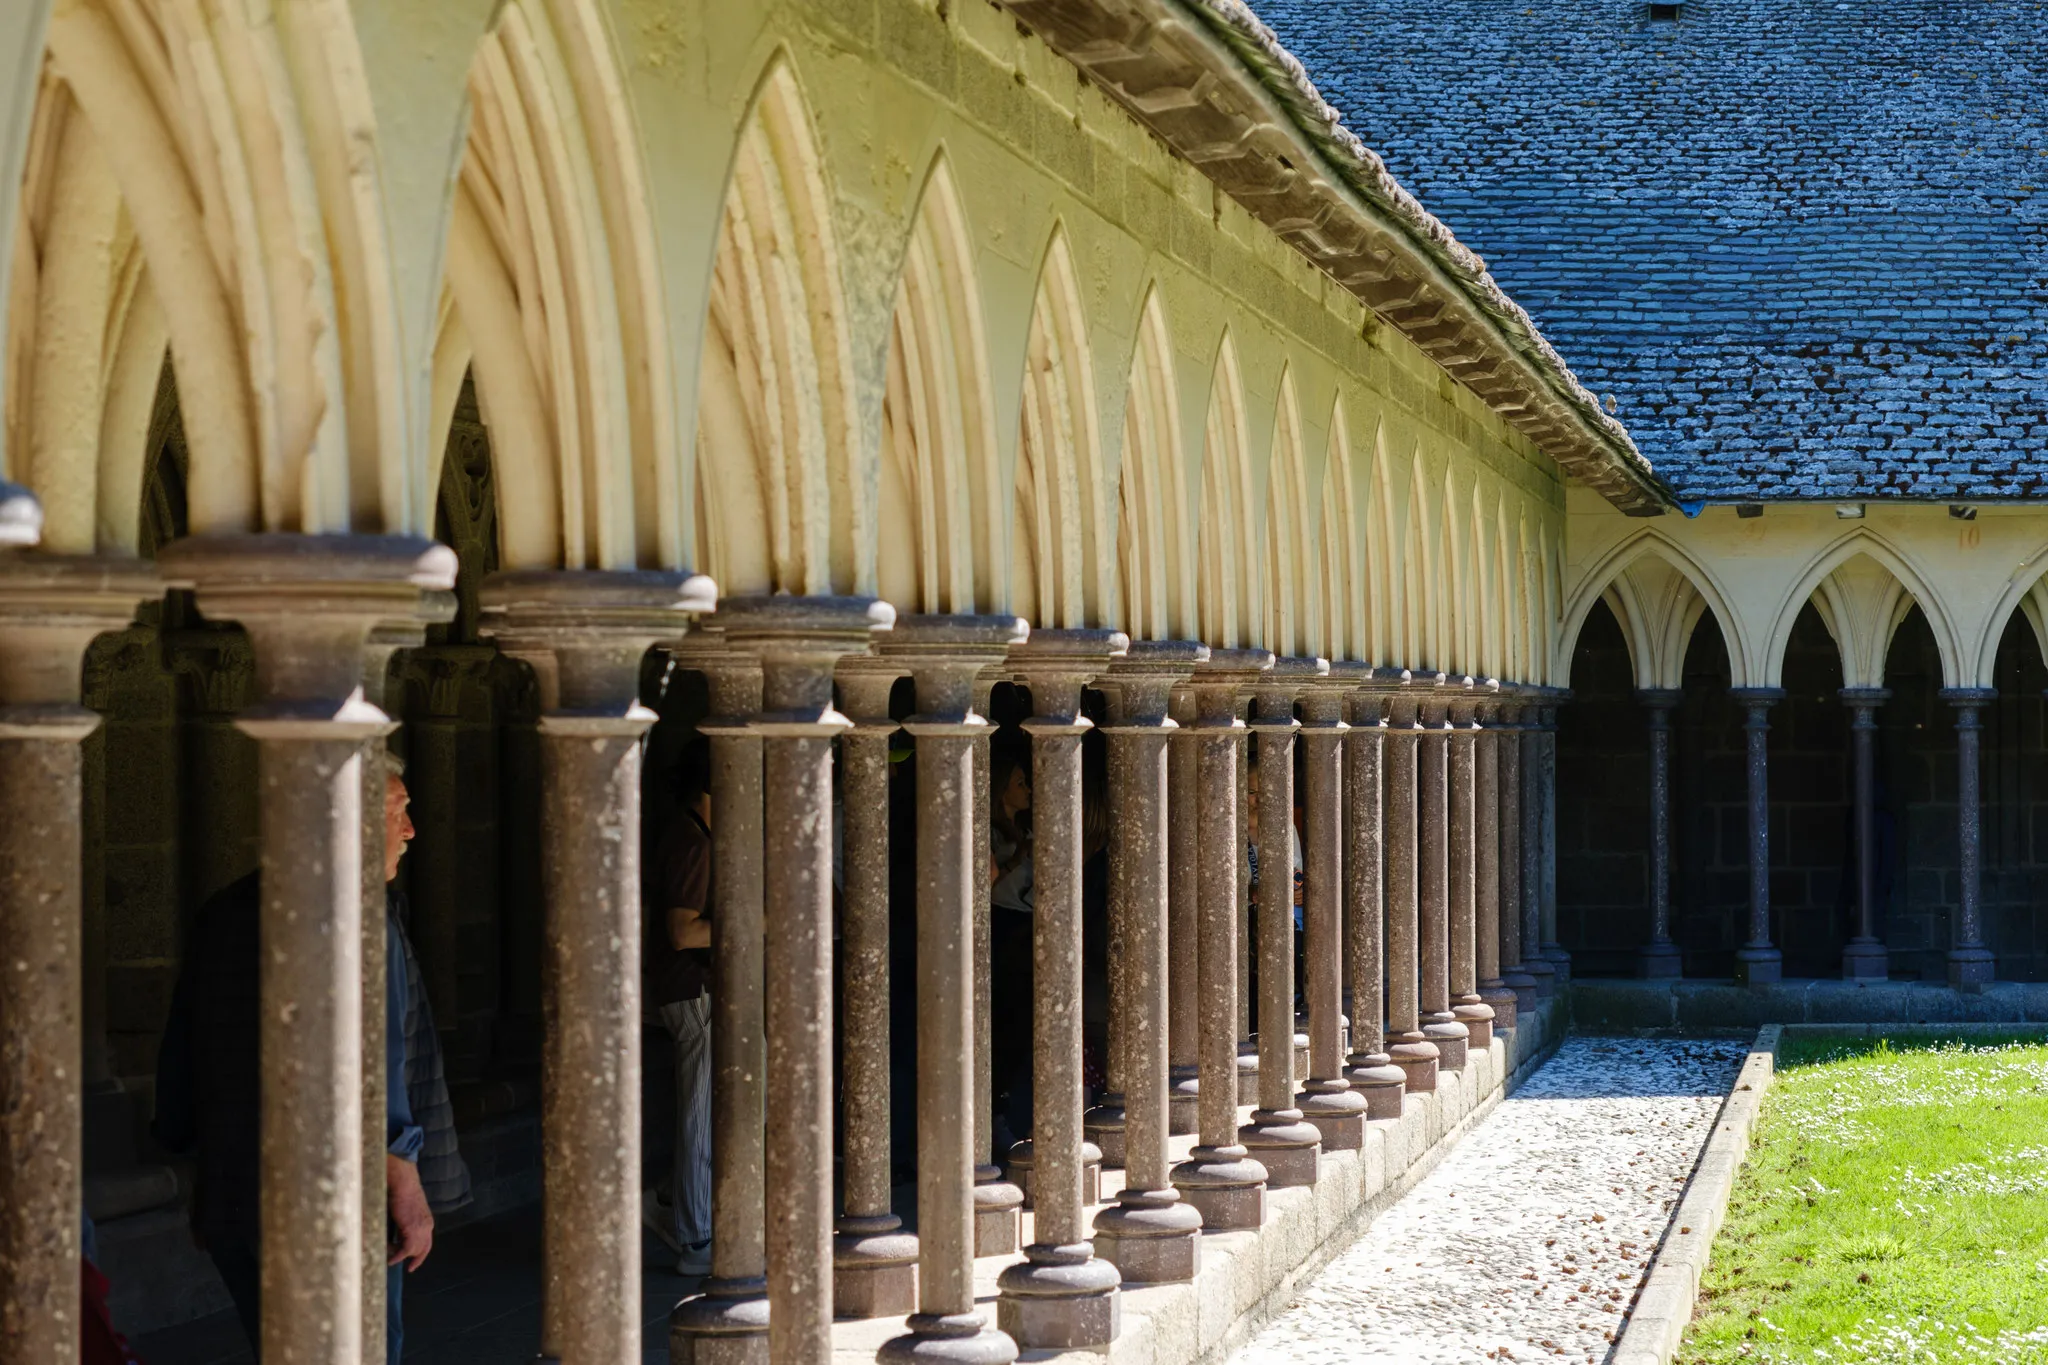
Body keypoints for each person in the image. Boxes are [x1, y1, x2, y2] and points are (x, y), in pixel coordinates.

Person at [154, 755, 441, 1361]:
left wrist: (197, 1163)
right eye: (398, 810)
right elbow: (378, 1065)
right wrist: (407, 1188)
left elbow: (183, 1051)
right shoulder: (359, 915)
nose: (411, 830)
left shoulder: (225, 910)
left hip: (240, 1190)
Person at [643, 737, 714, 1276]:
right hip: (693, 990)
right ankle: (694, 1238)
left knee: (711, 1107)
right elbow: (684, 931)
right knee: (700, 1110)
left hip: (698, 990)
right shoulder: (692, 841)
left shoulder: (695, 835)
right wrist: (763, 921)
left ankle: (670, 1200)